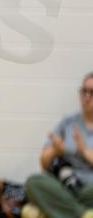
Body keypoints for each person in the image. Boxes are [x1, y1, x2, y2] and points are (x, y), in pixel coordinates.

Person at [24, 72, 93, 218]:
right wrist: (55, 151)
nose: (87, 97)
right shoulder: (68, 122)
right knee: (33, 182)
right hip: (64, 184)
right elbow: (43, 163)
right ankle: (83, 214)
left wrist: (84, 150)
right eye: (84, 91)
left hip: (89, 187)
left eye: (92, 92)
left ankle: (50, 210)